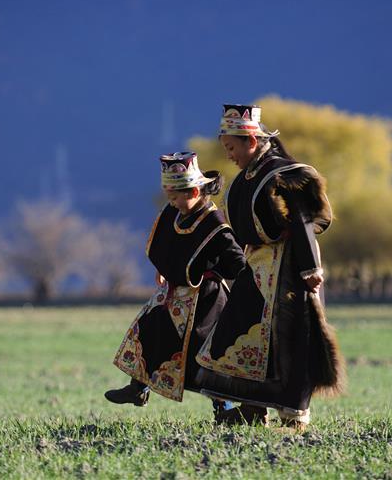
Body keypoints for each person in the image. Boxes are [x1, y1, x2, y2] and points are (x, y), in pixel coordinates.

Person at [194, 104, 345, 432]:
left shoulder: (282, 174)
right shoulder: (247, 177)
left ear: (250, 141)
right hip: (259, 266)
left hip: (288, 271)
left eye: (231, 148)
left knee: (290, 340)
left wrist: (309, 268)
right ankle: (250, 407)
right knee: (238, 331)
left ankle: (294, 416)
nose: (229, 155)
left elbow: (302, 221)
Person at [107, 152, 245, 415]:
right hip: (173, 294)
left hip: (206, 300)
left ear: (193, 192)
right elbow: (168, 244)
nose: (171, 203)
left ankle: (224, 406)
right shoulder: (175, 212)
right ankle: (138, 386)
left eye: (175, 197)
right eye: (169, 197)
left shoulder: (215, 224)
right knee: (149, 328)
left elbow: (236, 263)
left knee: (206, 353)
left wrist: (211, 272)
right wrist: (164, 268)